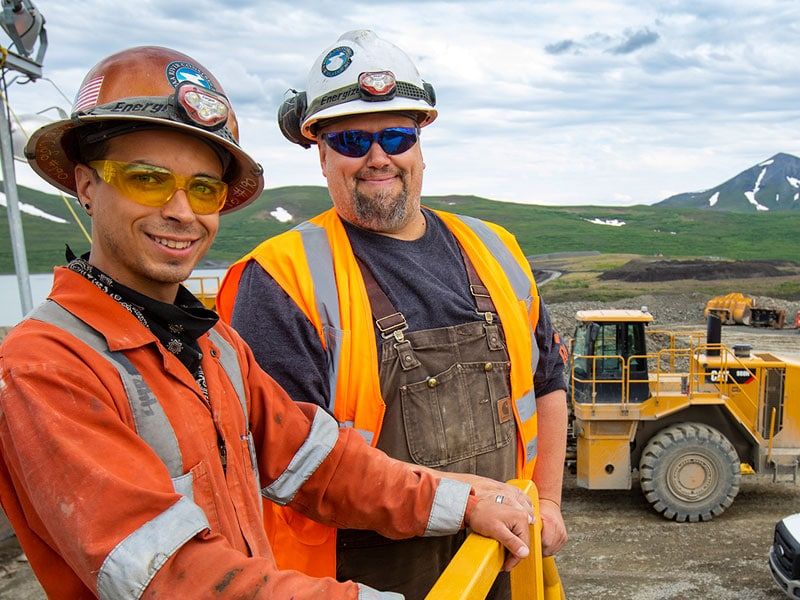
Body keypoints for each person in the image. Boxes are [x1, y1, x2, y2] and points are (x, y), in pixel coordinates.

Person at [0, 45, 533, 600]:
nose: (182, 211)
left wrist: (461, 501)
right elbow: (168, 575)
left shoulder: (209, 345)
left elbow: (321, 462)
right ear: (87, 186)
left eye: (204, 188)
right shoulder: (48, 367)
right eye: (148, 179)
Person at [216, 30, 569, 597]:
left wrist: (547, 500)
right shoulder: (280, 279)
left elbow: (548, 380)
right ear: (321, 153)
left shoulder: (496, 249)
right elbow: (290, 464)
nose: (378, 157)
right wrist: (468, 500)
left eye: (396, 135)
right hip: (358, 580)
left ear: (420, 145)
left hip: (503, 561)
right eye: (352, 139)